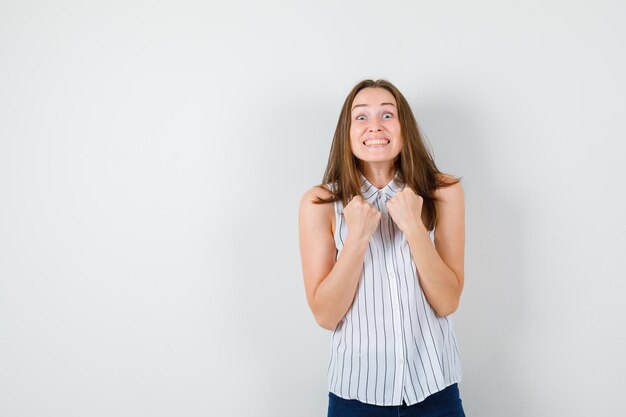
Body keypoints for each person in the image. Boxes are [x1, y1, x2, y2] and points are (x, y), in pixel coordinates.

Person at [298, 79, 467, 417]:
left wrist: (415, 229)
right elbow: (325, 314)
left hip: (434, 393)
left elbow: (447, 301)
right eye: (361, 117)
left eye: (387, 115)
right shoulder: (319, 203)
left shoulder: (443, 192)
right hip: (356, 397)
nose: (375, 125)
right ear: (347, 132)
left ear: (404, 128)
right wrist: (357, 238)